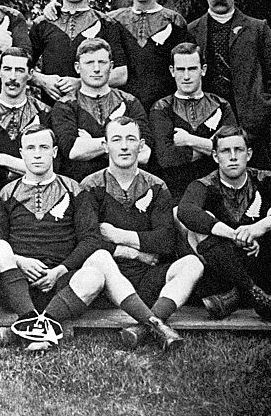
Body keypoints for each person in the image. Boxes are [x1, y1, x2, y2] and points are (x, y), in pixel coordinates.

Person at [0, 125, 182, 352]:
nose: (37, 153)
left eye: (43, 147)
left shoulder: (75, 190)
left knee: (99, 260)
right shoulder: (6, 193)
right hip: (17, 285)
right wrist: (20, 261)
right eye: (30, 148)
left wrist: (60, 269)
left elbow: (90, 239)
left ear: (55, 151)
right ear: (21, 153)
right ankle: (30, 319)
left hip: (64, 285)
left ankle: (154, 323)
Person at [80, 117, 204, 349]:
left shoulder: (156, 186)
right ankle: (157, 326)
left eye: (130, 139)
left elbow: (165, 242)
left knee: (192, 264)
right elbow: (89, 240)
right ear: (105, 146)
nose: (124, 146)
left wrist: (118, 235)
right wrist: (135, 253)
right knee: (100, 258)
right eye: (116, 140)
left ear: (142, 145)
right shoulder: (90, 186)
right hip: (108, 283)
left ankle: (145, 326)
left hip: (149, 279)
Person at [177, 125, 271, 325]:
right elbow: (185, 211)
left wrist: (257, 229)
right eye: (225, 151)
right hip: (222, 273)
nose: (233, 156)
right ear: (215, 156)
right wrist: (233, 235)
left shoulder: (265, 178)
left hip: (260, 261)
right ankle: (256, 295)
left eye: (238, 150)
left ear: (249, 154)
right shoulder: (203, 185)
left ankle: (242, 296)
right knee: (191, 224)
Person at [187, 0, 271, 166]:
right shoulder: (192, 31)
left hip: (251, 133)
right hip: (207, 131)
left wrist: (259, 117)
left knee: (257, 189)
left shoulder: (257, 29)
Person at [30, 0, 128, 105]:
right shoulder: (42, 24)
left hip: (95, 109)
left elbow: (121, 74)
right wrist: (42, 80)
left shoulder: (106, 24)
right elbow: (20, 65)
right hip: (52, 108)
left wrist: (81, 82)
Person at [51, 38, 152, 181]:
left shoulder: (129, 102)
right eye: (89, 63)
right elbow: (73, 151)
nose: (96, 69)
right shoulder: (65, 105)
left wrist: (92, 143)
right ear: (77, 67)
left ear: (111, 66)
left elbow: (144, 154)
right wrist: (124, 145)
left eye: (102, 62)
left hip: (126, 183)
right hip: (81, 187)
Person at [149, 42, 237, 199]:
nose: (187, 76)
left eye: (192, 69)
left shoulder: (221, 105)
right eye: (181, 70)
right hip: (176, 191)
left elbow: (232, 150)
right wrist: (212, 148)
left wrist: (189, 140)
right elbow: (166, 158)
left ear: (203, 70)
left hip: (218, 190)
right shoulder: (161, 108)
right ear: (172, 71)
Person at [107, 0, 191, 110]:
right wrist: (53, 9)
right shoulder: (113, 21)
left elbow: (186, 67)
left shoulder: (174, 21)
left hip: (164, 106)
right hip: (122, 105)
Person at [0, 46, 52, 192]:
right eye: (7, 69)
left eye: (20, 70)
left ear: (30, 74)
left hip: (36, 192)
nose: (12, 77)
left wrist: (1, 159)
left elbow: (51, 166)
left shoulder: (45, 113)